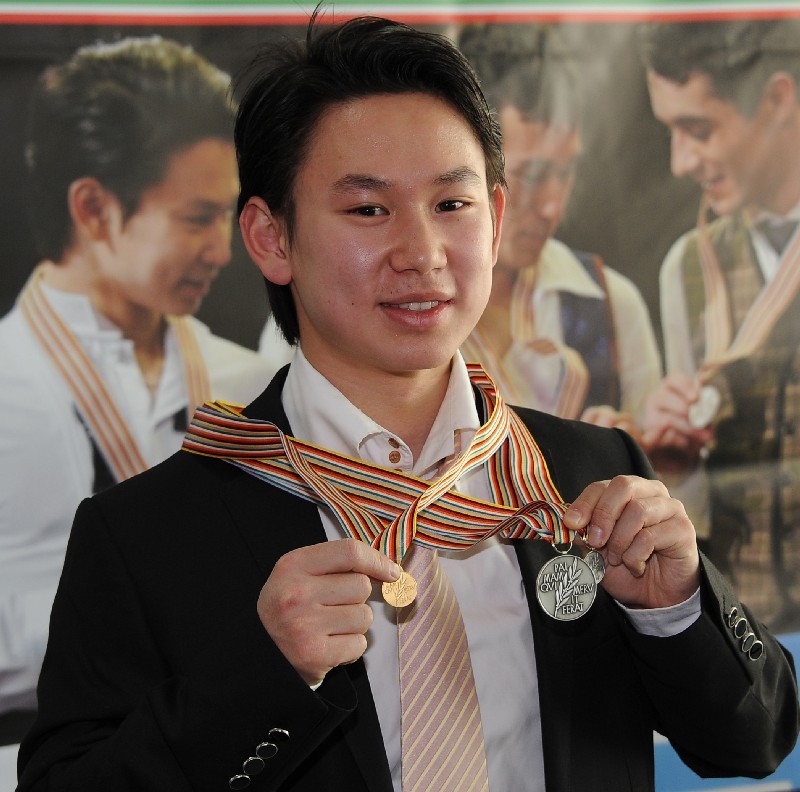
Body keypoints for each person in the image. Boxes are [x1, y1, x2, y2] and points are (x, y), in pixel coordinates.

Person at [16, 14, 798, 792]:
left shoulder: (587, 476)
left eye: (451, 204)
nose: (422, 254)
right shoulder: (146, 535)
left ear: (495, 220)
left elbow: (755, 741)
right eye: (368, 209)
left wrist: (676, 609)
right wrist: (260, 678)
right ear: (271, 238)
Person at [0, 36, 271, 746]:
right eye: (196, 218)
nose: (222, 250)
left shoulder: (248, 383)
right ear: (95, 209)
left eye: (226, 216)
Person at [639, 19, 800, 631]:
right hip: (745, 629)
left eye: (698, 129)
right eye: (670, 131)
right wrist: (673, 465)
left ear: (778, 100)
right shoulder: (688, 267)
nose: (680, 162)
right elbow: (694, 507)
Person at [456, 23, 661, 441]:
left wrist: (641, 454)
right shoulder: (411, 307)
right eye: (531, 175)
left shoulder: (610, 302)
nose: (552, 206)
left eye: (565, 173)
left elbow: (665, 473)